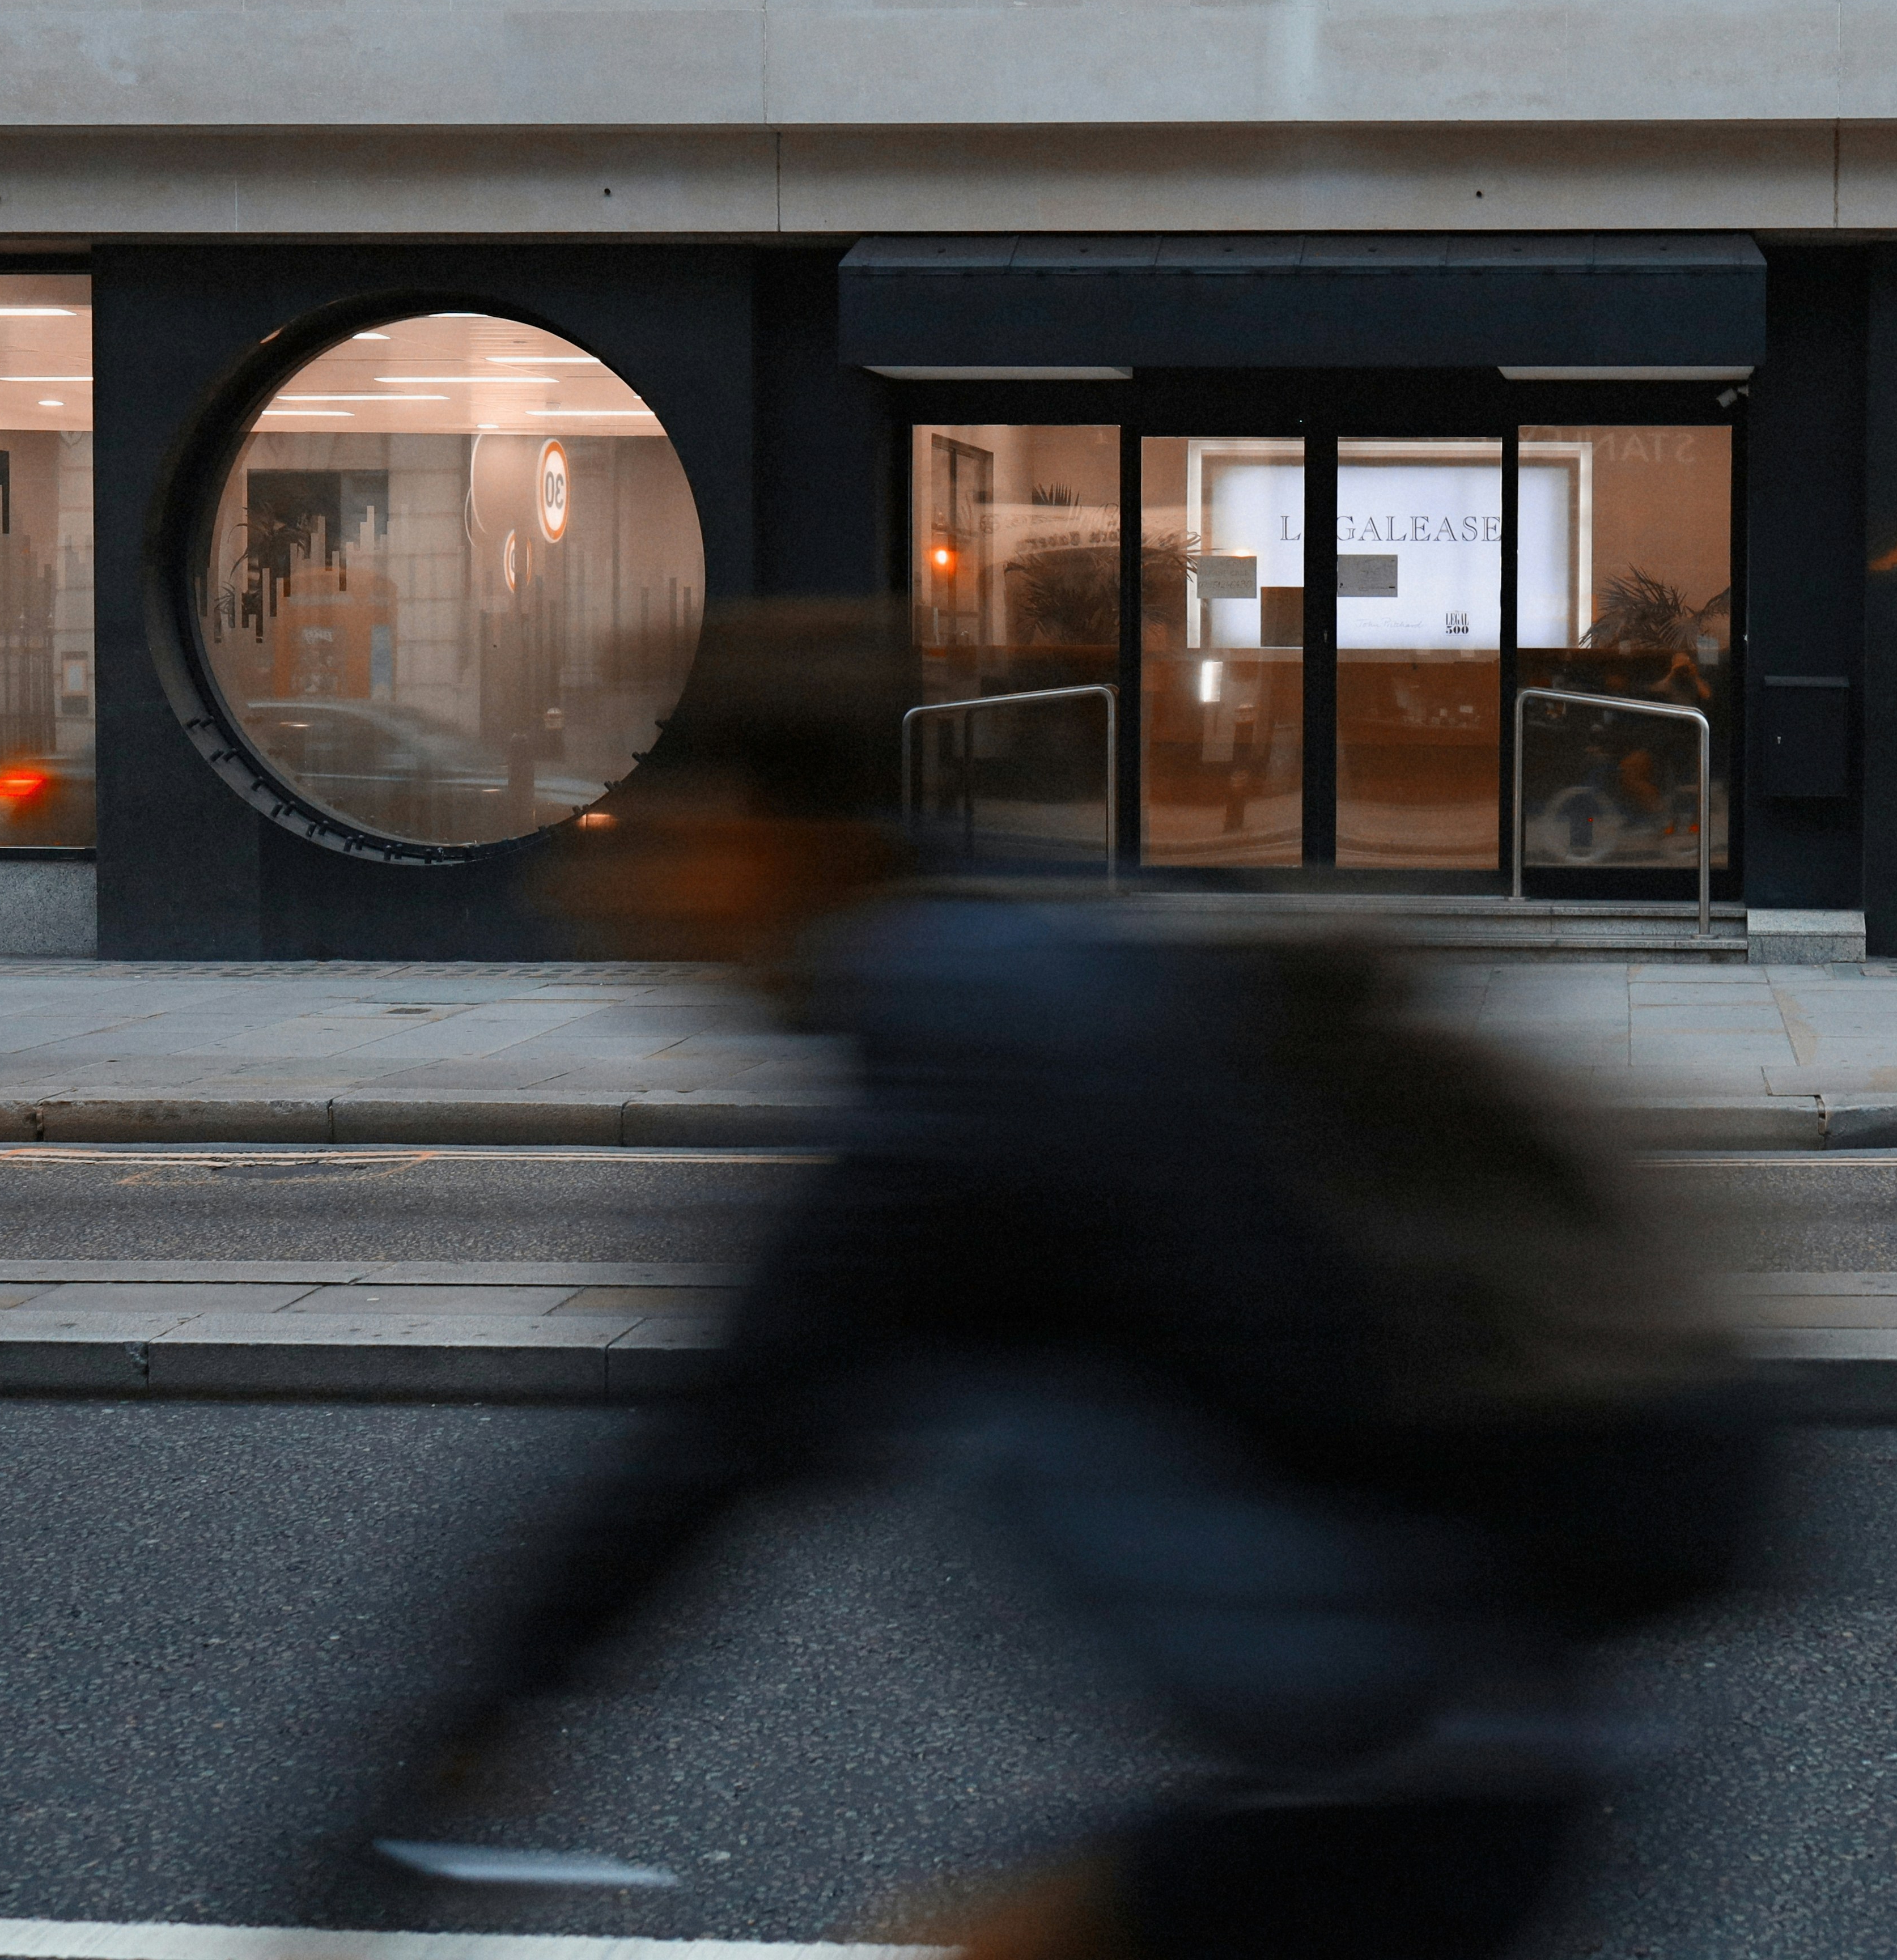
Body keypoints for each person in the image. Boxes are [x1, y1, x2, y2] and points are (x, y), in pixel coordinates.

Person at [377, 601, 1775, 1960]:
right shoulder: (1023, 979)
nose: (594, 885)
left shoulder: (965, 1085)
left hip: (1414, 1761)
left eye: (647, 835)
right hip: (1440, 1724)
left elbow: (711, 1446)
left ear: (765, 831)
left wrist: (455, 1750)